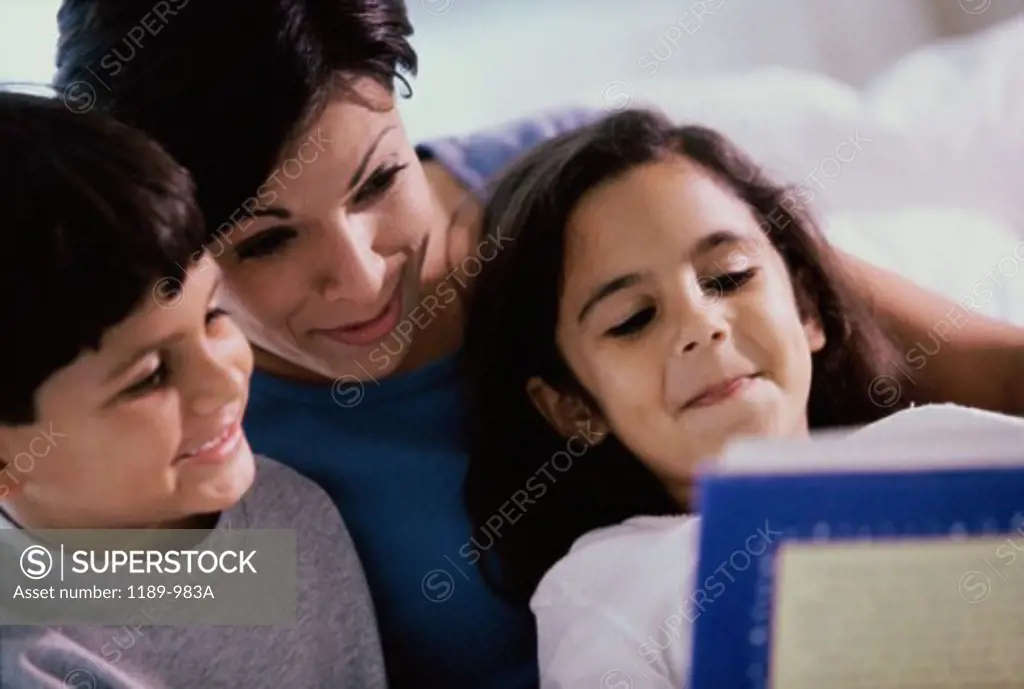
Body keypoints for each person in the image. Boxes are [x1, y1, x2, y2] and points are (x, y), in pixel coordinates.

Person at [51, 1, 1024, 686]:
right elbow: (65, 597)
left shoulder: (600, 188)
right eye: (263, 240)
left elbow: (974, 362)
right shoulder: (193, 421)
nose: (357, 277)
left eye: (377, 180)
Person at [457, 108, 1024, 688]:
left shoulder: (944, 444)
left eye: (728, 277)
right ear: (575, 406)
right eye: (633, 319)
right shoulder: (608, 586)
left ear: (806, 309)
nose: (702, 326)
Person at [0, 91, 386, 689]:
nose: (224, 379)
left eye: (212, 315)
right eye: (149, 377)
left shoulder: (292, 511)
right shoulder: (29, 658)